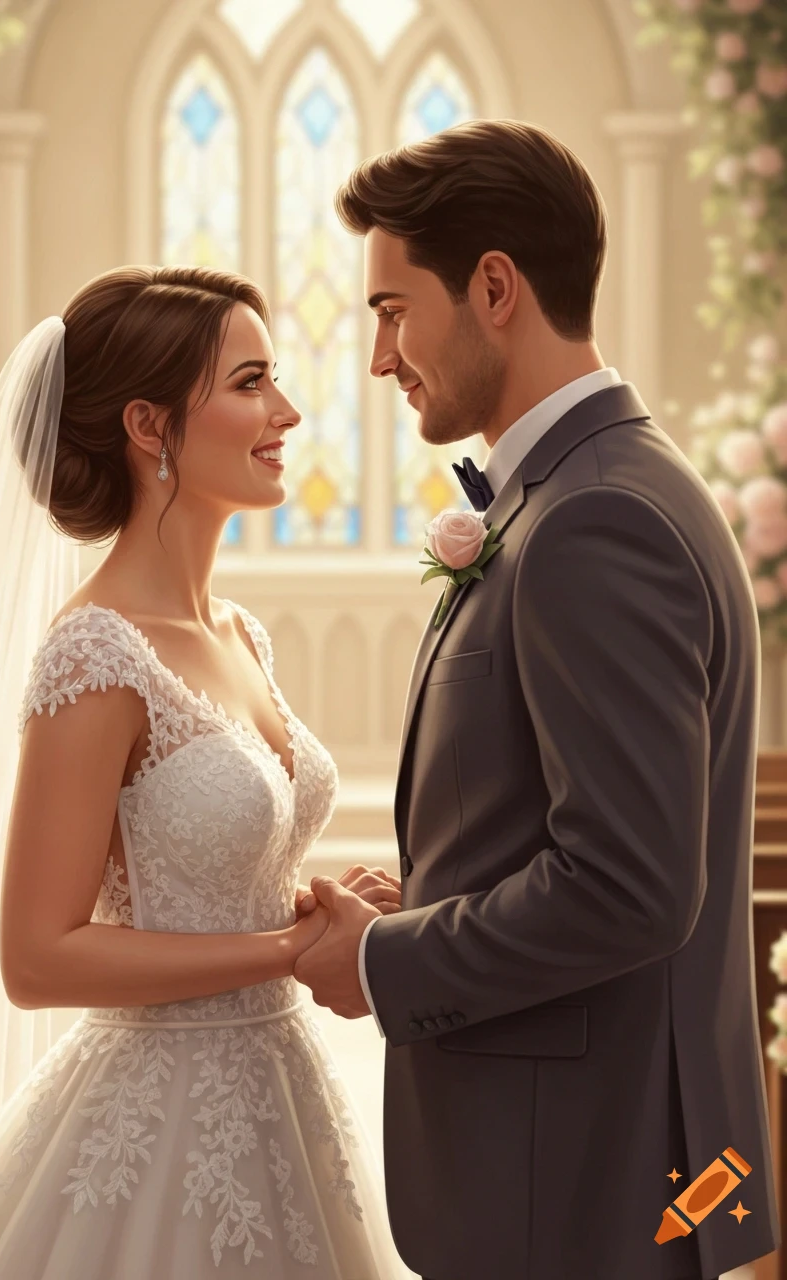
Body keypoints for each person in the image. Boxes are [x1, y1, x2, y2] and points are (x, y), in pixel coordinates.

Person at [292, 119, 780, 1280]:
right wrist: (430, 888)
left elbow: (627, 883)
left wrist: (383, 963)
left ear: (494, 287)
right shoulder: (581, 495)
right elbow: (593, 828)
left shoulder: (594, 522)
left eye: (391, 310)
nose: (378, 357)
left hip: (587, 1191)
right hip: (592, 1176)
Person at [0, 264, 410, 1278]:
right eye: (251, 381)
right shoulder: (94, 652)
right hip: (154, 1115)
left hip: (281, 1094)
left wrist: (316, 901)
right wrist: (284, 947)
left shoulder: (239, 633)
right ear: (148, 423)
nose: (287, 411)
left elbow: (217, 872)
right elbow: (38, 957)